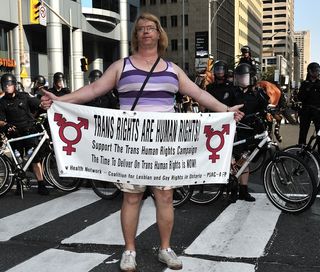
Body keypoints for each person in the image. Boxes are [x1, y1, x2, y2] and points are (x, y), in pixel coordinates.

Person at [41, 12, 244, 271]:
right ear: (136, 36)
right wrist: (59, 100)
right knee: (131, 198)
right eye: (141, 28)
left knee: (165, 197)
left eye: (151, 27)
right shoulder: (121, 66)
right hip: (130, 146)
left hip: (164, 148)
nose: (146, 31)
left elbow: (200, 94)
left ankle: (165, 248)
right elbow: (92, 91)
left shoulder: (172, 70)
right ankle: (129, 250)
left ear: (159, 34)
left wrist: (226, 110)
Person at [0, 73, 49, 195]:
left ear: (15, 85)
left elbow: (37, 103)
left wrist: (44, 104)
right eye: (5, 84)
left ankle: (41, 184)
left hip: (29, 131)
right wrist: (6, 125)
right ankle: (19, 185)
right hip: (14, 134)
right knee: (18, 160)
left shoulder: (24, 96)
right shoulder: (2, 102)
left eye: (10, 84)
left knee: (35, 158)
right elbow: (0, 120)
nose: (7, 86)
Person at [229, 63, 269, 203]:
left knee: (246, 161)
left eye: (244, 77)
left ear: (251, 78)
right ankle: (233, 190)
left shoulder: (257, 93)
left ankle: (244, 191)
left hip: (251, 131)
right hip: (236, 130)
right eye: (239, 77)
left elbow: (266, 107)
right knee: (234, 161)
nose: (241, 79)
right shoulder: (232, 92)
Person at [297, 62, 320, 149]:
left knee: (319, 132)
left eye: (318, 70)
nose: (318, 72)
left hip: (317, 111)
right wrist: (307, 89)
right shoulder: (304, 84)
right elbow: (300, 98)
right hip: (306, 111)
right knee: (303, 131)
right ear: (310, 71)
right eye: (316, 70)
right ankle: (301, 148)